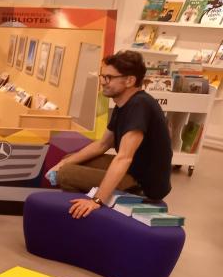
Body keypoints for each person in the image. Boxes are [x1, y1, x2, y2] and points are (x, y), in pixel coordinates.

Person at [48, 50, 172, 219]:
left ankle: (88, 215)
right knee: (70, 160)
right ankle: (83, 207)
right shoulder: (123, 104)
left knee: (67, 174)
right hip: (133, 170)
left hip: (143, 183)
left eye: (109, 78)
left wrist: (97, 200)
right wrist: (62, 162)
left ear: (129, 80)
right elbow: (102, 145)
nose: (102, 82)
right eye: (102, 76)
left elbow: (124, 158)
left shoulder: (139, 105)